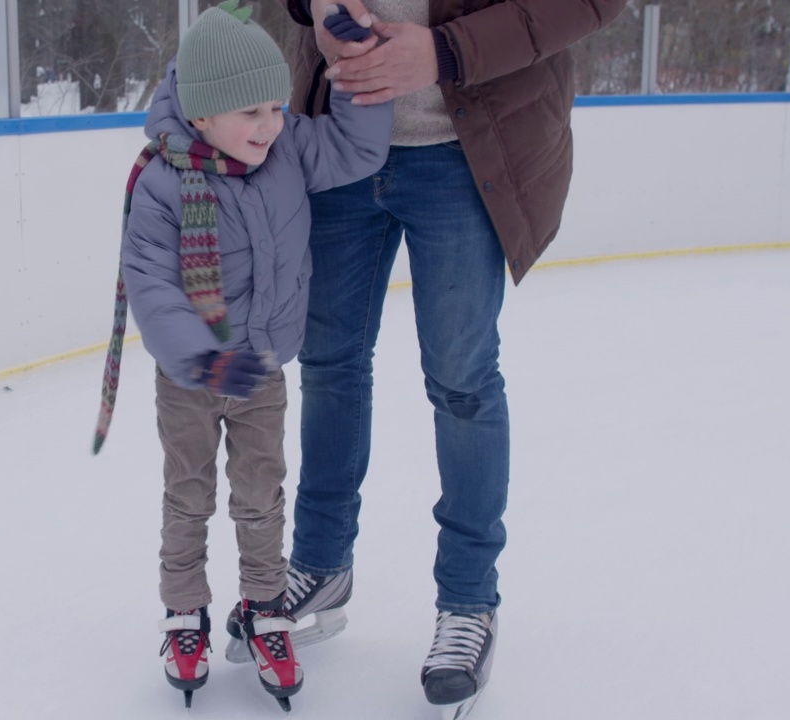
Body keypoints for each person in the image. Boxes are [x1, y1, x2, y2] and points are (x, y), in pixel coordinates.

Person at [273, 0, 626, 715]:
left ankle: (468, 602)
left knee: (461, 380)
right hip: (338, 139)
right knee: (329, 363)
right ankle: (320, 561)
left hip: (464, 152)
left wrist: (447, 52)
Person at [90, 0, 392, 710]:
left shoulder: (285, 150)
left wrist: (352, 64)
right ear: (201, 115)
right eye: (250, 113)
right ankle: (185, 612)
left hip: (262, 371)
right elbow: (154, 289)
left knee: (262, 498)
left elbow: (358, 147)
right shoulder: (162, 183)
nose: (271, 126)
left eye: (277, 108)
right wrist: (201, 359)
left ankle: (265, 610)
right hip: (189, 380)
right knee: (188, 497)